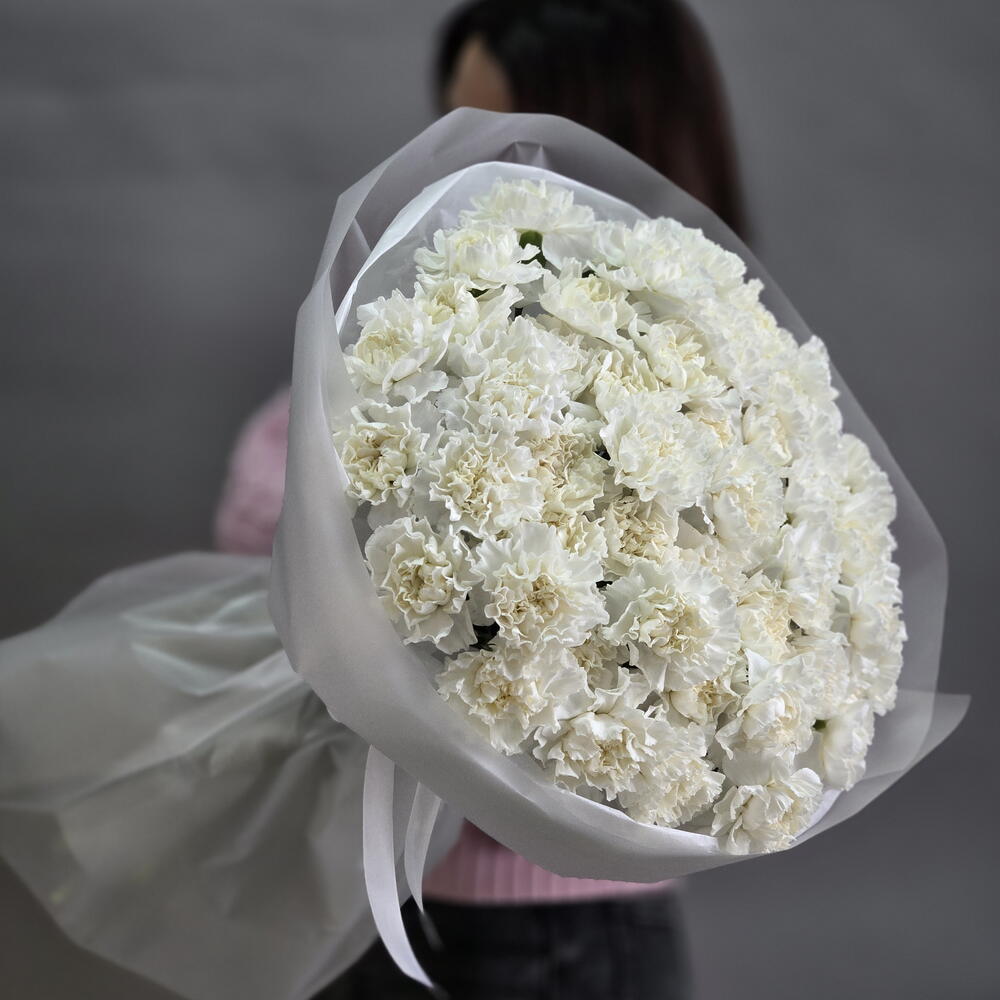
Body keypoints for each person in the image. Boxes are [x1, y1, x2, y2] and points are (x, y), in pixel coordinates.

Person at [214, 2, 746, 996]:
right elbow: (260, 512)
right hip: (397, 902)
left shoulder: (710, 378)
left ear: (619, 137)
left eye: (512, 138)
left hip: (548, 939)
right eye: (452, 129)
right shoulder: (458, 319)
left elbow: (265, 518)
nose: (472, 170)